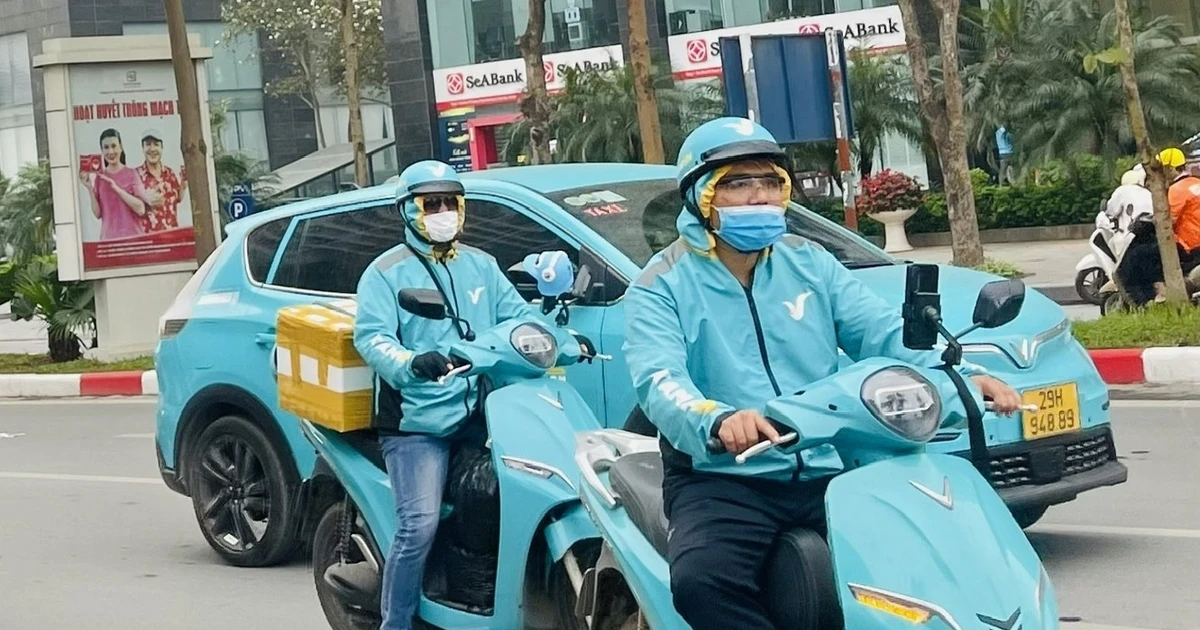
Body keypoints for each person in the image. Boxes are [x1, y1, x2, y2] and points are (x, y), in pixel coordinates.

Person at [622, 117, 1024, 630]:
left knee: (918, 565)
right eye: (738, 184)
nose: (759, 197)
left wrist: (964, 375)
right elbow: (659, 380)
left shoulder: (809, 262)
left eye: (770, 182)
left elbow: (881, 332)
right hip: (724, 477)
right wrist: (717, 420)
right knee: (703, 582)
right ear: (700, 196)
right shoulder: (661, 284)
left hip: (828, 462)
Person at [352, 160, 592, 630]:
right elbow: (372, 338)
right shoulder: (385, 273)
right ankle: (395, 622)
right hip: (418, 423)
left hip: (482, 412)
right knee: (418, 525)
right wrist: (410, 363)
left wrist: (563, 340)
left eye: (450, 202)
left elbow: (519, 317)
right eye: (431, 204)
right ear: (408, 211)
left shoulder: (481, 264)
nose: (443, 212)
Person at [1116, 148, 1200, 304]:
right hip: (1195, 246)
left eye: (1160, 170)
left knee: (1138, 256)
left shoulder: (1176, 190)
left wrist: (1145, 226)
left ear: (1171, 169)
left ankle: (1159, 292)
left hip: (1188, 246)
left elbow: (1166, 221)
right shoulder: (1196, 183)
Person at [77, 128, 150, 240]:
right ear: (102, 150)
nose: (110, 151)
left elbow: (141, 209)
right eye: (106, 147)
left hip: (132, 239)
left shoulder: (132, 174)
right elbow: (98, 214)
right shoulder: (100, 177)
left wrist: (117, 189)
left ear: (121, 147)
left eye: (114, 146)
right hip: (108, 239)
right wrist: (89, 188)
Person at [136, 128, 187, 233]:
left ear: (162, 147)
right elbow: (131, 207)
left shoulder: (169, 173)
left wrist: (183, 184)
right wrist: (145, 200)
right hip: (148, 237)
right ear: (142, 148)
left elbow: (177, 198)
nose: (152, 149)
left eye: (156, 144)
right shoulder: (135, 176)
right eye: (148, 144)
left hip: (172, 234)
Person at [1105, 164, 1153, 234]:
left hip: (1130, 232)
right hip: (1151, 229)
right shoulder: (1147, 192)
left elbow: (1111, 210)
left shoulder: (1121, 190)